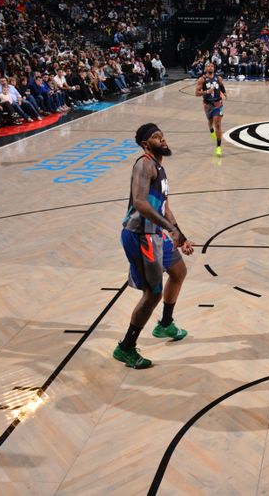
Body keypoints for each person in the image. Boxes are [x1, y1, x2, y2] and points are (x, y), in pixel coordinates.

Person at [115, 123, 195, 369]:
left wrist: (179, 236)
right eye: (155, 137)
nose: (162, 139)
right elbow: (140, 203)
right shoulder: (144, 164)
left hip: (156, 233)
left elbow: (164, 208)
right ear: (145, 144)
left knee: (179, 272)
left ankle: (164, 324)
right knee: (153, 294)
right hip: (140, 235)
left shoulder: (159, 167)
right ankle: (125, 347)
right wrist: (169, 229)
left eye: (162, 135)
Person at [195, 62, 228, 156]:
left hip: (218, 104)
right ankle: (211, 130)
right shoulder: (202, 79)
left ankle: (218, 147)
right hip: (208, 105)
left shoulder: (218, 78)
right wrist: (206, 92)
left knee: (217, 124)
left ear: (214, 68)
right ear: (205, 68)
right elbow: (197, 93)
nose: (210, 67)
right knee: (210, 122)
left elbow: (221, 86)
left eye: (212, 66)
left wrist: (224, 93)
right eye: (208, 66)